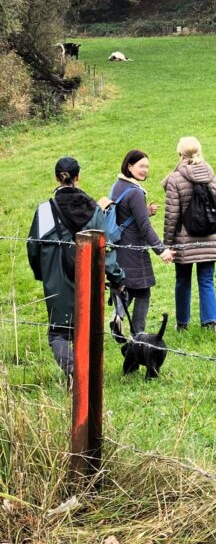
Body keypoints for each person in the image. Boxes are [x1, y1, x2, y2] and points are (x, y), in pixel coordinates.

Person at [27, 156, 126, 379]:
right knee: (87, 329)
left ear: (56, 178)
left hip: (56, 279)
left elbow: (32, 248)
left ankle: (75, 373)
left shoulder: (43, 211)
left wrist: (43, 274)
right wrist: (117, 278)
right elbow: (105, 251)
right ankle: (87, 378)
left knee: (59, 333)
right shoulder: (93, 209)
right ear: (78, 177)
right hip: (88, 278)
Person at [105, 150, 174, 336]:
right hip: (134, 249)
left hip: (120, 247)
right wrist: (162, 250)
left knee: (129, 287)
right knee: (143, 292)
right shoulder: (135, 192)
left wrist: (145, 210)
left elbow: (125, 213)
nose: (145, 170)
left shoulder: (117, 185)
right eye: (141, 166)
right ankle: (137, 333)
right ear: (129, 166)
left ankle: (118, 317)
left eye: (147, 166)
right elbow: (144, 227)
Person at [162, 137, 216, 332]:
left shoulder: (175, 178)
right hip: (208, 234)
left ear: (180, 154)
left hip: (183, 238)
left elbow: (172, 214)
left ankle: (182, 323)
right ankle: (211, 323)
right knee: (206, 280)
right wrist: (215, 230)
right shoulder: (210, 173)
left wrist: (167, 244)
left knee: (182, 281)